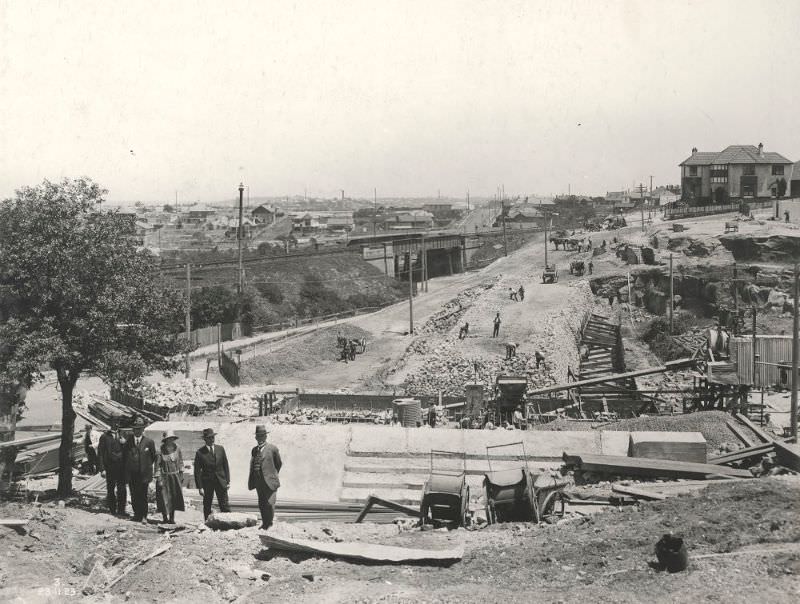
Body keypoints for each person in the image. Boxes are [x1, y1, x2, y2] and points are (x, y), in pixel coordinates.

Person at [248, 424, 282, 530]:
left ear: (266, 436)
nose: (260, 438)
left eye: (262, 436)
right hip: (258, 482)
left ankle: (270, 523)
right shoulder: (254, 450)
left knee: (270, 503)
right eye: (258, 436)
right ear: (256, 438)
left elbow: (279, 464)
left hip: (270, 481)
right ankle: (265, 523)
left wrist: (272, 475)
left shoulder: (272, 449)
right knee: (262, 503)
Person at [124, 417, 157, 524]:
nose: (137, 431)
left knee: (143, 495)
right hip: (132, 474)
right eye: (135, 429)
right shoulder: (128, 442)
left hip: (144, 474)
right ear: (133, 430)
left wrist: (145, 467)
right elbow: (125, 456)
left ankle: (143, 516)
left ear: (143, 430)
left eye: (139, 429)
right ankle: (136, 515)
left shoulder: (149, 442)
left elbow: (153, 457)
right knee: (134, 494)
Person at [194, 427, 231, 520]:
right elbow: (197, 471)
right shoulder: (200, 453)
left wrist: (228, 481)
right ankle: (207, 523)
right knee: (207, 504)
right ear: (205, 439)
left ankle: (227, 522)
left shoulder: (220, 449)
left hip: (221, 481)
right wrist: (200, 487)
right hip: (207, 482)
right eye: (209, 438)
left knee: (224, 503)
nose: (211, 440)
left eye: (213, 437)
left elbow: (225, 465)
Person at [97, 419, 127, 516]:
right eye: (114, 422)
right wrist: (102, 469)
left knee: (122, 488)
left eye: (118, 422)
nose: (116, 424)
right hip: (110, 467)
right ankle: (112, 510)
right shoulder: (104, 437)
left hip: (122, 467)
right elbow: (100, 454)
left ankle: (121, 510)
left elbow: (129, 451)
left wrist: (125, 443)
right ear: (110, 423)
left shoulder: (123, 435)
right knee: (110, 489)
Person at [154, 430, 184, 524]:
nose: (170, 441)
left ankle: (172, 518)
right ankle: (164, 518)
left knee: (174, 497)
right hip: (164, 477)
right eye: (168, 439)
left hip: (174, 477)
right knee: (164, 497)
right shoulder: (160, 451)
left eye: (172, 439)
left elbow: (181, 462)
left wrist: (181, 474)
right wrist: (159, 479)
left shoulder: (177, 448)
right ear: (165, 440)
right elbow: (157, 466)